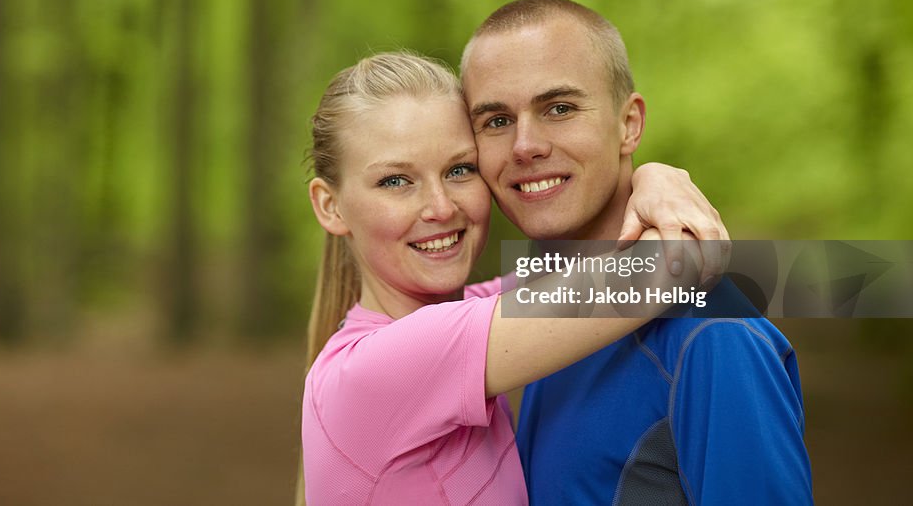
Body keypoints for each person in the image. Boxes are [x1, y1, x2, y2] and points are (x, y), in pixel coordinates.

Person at [299, 52, 720, 505]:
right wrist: (662, 180)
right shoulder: (377, 368)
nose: (441, 208)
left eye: (459, 170)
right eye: (396, 181)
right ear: (330, 206)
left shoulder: (473, 312)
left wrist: (653, 178)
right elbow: (683, 263)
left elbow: (601, 262)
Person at [460, 0, 813, 505]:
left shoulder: (714, 338)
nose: (525, 145)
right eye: (496, 120)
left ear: (629, 125)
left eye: (559, 108)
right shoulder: (536, 310)